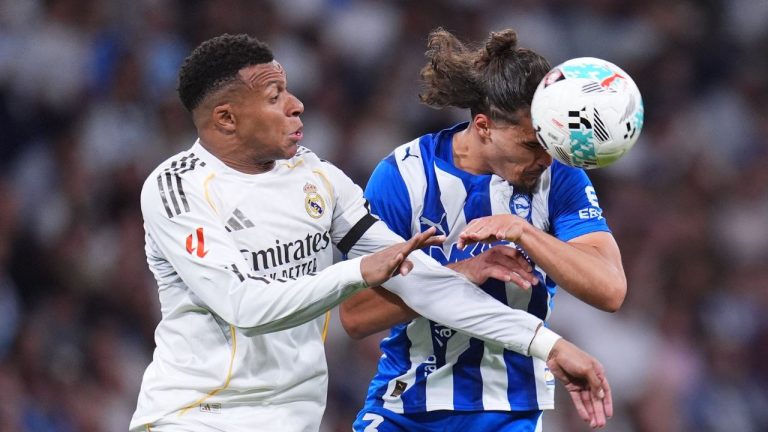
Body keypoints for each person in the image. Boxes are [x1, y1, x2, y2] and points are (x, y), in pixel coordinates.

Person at [129, 33, 612, 432]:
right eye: (275, 97)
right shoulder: (178, 189)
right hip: (195, 415)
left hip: (293, 420)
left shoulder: (318, 180)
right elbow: (243, 308)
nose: (297, 105)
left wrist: (551, 346)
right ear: (227, 119)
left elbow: (424, 282)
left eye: (289, 91)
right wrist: (357, 271)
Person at [340, 28, 626, 431]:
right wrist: (464, 273)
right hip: (405, 406)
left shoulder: (560, 178)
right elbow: (354, 315)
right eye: (531, 145)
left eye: (549, 142)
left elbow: (610, 289)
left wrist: (525, 233)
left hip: (509, 412)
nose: (544, 158)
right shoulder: (403, 177)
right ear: (483, 126)